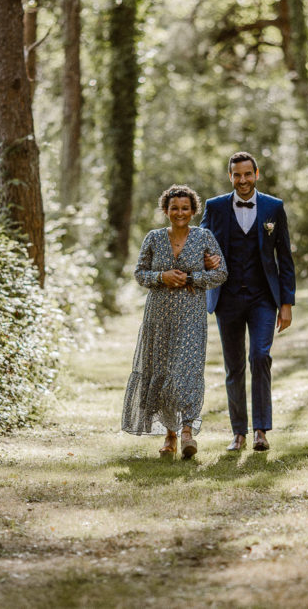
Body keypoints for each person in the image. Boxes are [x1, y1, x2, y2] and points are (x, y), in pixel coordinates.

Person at [121, 185, 228, 458]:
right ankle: (170, 436)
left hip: (191, 315)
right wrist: (161, 277)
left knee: (187, 371)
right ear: (165, 210)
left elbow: (221, 274)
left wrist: (192, 278)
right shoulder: (154, 238)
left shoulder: (204, 237)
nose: (179, 213)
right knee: (164, 372)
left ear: (193, 210)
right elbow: (140, 273)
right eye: (174, 208)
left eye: (185, 208)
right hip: (159, 315)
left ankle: (188, 431)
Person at [200, 152, 296, 452]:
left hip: (262, 298)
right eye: (236, 175)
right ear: (230, 177)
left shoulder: (273, 207)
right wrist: (204, 261)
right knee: (234, 366)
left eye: (247, 174)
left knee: (260, 357)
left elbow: (285, 258)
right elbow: (198, 245)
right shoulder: (214, 207)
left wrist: (287, 303)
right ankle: (238, 432)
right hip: (226, 298)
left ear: (257, 173)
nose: (242, 180)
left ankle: (261, 431)